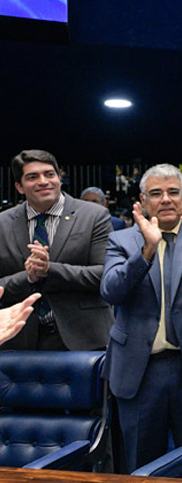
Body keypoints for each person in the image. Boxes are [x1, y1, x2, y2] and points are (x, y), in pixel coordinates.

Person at [102, 164, 182, 472]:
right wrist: (147, 248)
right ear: (142, 201)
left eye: (173, 192)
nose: (166, 199)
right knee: (141, 465)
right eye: (156, 193)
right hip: (139, 371)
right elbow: (111, 291)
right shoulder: (123, 239)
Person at [0, 150, 113, 351]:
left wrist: (50, 270)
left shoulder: (94, 216)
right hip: (19, 341)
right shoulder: (2, 224)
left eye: (49, 174)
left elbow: (105, 275)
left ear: (59, 178)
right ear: (19, 187)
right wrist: (27, 277)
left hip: (85, 339)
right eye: (32, 177)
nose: (43, 181)